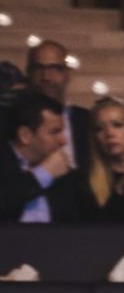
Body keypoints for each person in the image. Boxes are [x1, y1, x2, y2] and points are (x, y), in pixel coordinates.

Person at [1, 93, 82, 223]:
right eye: (55, 132)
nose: (64, 140)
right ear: (25, 135)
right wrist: (43, 174)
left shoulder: (63, 173)